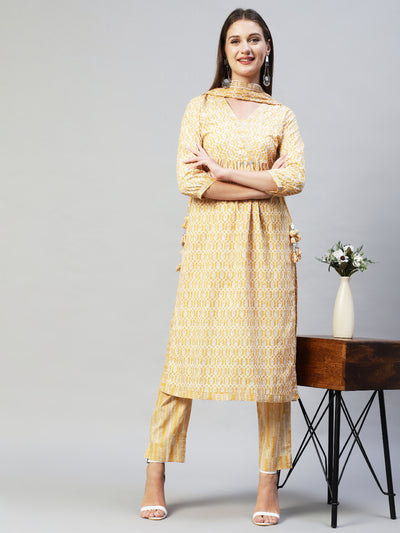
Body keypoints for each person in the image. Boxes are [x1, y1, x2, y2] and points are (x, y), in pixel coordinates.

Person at [140, 7, 305, 526]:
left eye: (254, 39)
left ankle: (267, 484)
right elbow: (191, 182)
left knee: (272, 364)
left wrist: (225, 171)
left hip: (269, 248)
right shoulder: (201, 108)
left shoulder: (282, 115)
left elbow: (295, 179)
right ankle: (154, 473)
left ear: (268, 48)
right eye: (236, 40)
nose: (245, 48)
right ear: (224, 50)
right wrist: (261, 183)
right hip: (210, 245)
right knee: (184, 357)